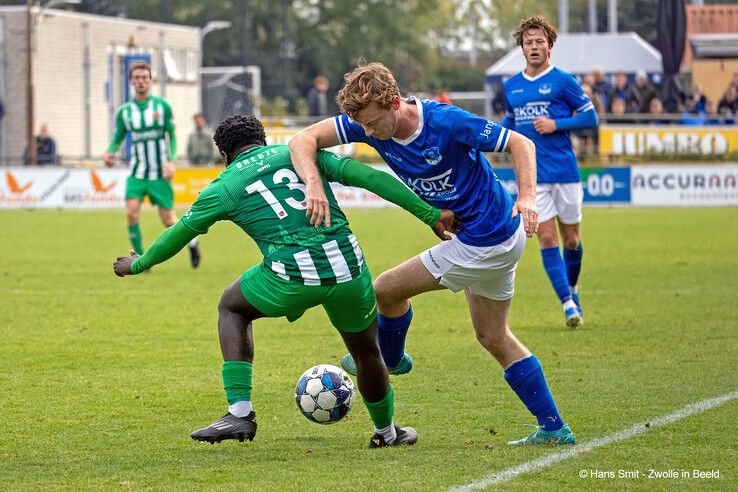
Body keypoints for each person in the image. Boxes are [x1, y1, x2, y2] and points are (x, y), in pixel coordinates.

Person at [113, 114, 459, 447]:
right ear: (262, 139)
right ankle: (387, 433)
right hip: (347, 269)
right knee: (367, 352)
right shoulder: (299, 154)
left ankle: (240, 413)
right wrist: (429, 214)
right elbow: (369, 178)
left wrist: (138, 263)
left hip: (290, 277)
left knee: (232, 307)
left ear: (223, 154)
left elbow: (178, 232)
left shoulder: (224, 185)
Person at [289, 61, 576, 446]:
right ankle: (555, 428)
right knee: (493, 335)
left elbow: (519, 143)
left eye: (374, 124)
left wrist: (526, 196)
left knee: (386, 289)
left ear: (394, 102)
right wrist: (314, 184)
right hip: (493, 240)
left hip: (485, 239)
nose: (369, 133)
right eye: (364, 127)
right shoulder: (366, 123)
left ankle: (390, 360)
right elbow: (301, 140)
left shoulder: (444, 121)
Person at [501, 16, 598, 329]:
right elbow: (510, 126)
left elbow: (590, 118)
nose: (534, 46)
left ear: (550, 47)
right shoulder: (511, 86)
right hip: (533, 177)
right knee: (545, 237)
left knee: (571, 240)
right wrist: (480, 138)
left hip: (565, 172)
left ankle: (572, 288)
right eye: (528, 42)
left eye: (539, 41)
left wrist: (558, 124)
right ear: (522, 48)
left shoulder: (563, 81)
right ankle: (568, 305)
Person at [103, 61, 201, 268]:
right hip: (137, 172)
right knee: (131, 212)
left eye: (144, 78)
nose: (141, 81)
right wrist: (110, 152)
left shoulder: (162, 106)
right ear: (131, 81)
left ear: (150, 80)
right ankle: (138, 258)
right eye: (137, 78)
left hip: (159, 173)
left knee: (168, 219)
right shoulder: (124, 112)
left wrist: (172, 161)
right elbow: (117, 137)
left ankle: (192, 243)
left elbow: (171, 136)